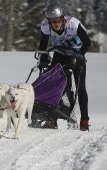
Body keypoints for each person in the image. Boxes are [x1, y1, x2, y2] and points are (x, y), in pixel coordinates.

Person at [38, 3, 91, 131]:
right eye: (52, 21)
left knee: (80, 87)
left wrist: (79, 56)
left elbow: (87, 42)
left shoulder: (73, 24)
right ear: (48, 21)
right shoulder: (46, 27)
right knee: (52, 84)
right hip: (60, 53)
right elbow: (43, 46)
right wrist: (43, 57)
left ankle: (84, 121)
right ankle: (52, 119)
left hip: (76, 53)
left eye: (58, 20)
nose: (55, 24)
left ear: (62, 18)